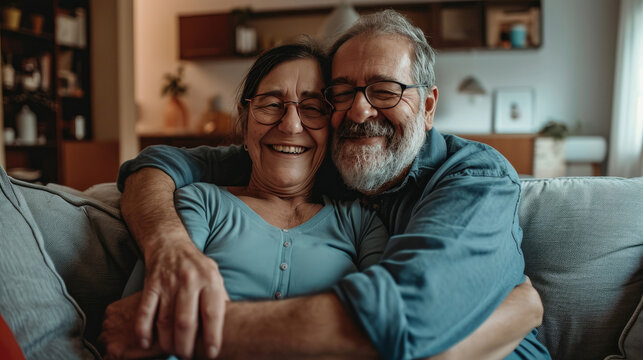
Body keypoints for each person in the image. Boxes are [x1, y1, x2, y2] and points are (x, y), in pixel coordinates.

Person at [110, 10, 550, 360]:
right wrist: (168, 244)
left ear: (429, 106)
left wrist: (179, 332)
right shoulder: (331, 159)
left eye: (384, 90)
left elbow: (408, 319)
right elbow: (160, 163)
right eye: (341, 93)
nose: (359, 111)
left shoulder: (473, 177)